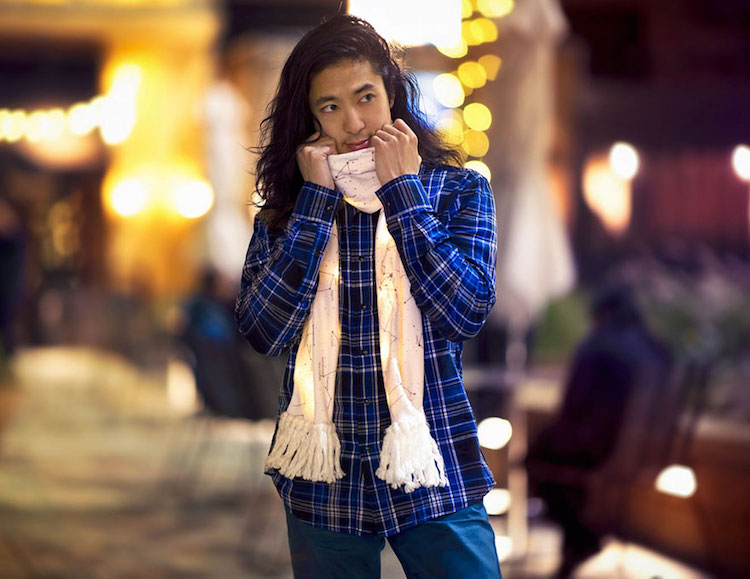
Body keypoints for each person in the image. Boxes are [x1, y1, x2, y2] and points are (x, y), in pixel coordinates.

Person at [235, 15, 501, 578]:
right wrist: (311, 204)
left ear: (393, 95)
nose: (353, 122)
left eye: (365, 97)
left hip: (432, 459)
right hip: (323, 472)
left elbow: (465, 312)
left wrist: (403, 191)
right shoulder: (290, 207)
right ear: (309, 117)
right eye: (330, 106)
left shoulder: (457, 190)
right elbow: (264, 331)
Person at [525, 284, 672, 578]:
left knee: (535, 455)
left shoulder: (599, 345)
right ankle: (582, 538)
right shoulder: (657, 350)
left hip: (597, 453)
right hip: (648, 457)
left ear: (602, 314)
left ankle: (580, 538)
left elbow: (572, 406)